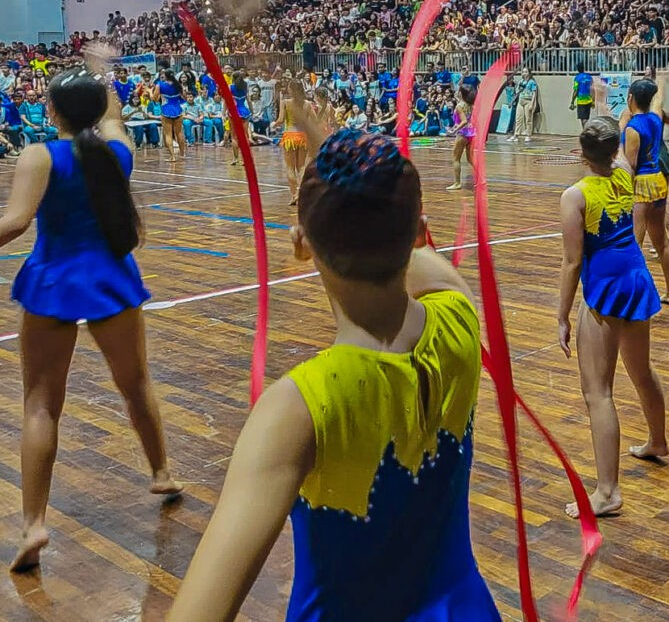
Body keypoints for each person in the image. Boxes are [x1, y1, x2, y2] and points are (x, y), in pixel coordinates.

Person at [168, 124, 501, 622]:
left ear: (301, 243)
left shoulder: (299, 408)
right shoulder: (458, 319)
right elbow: (415, 253)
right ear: (418, 230)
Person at [0, 69, 180, 572]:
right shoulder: (116, 153)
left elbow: (15, 222)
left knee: (40, 405)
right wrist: (107, 79)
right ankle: (161, 472)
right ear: (98, 109)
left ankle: (35, 524)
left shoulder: (40, 155)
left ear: (52, 111)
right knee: (136, 384)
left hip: (53, 282)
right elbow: (117, 118)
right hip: (110, 280)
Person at [557, 116, 668, 520]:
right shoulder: (625, 173)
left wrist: (562, 316)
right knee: (641, 370)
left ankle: (607, 492)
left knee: (598, 392)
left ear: (581, 153)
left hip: (605, 288)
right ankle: (657, 440)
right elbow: (618, 149)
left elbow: (572, 263)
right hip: (636, 277)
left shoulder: (576, 195)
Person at [622, 77, 669, 306]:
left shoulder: (633, 128)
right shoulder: (655, 119)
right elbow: (659, 102)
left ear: (630, 98)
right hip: (658, 182)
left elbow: (631, 165)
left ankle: (634, 296)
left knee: (635, 242)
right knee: (661, 241)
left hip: (642, 185)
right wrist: (662, 82)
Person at [276, 76, 309, 206]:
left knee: (290, 167)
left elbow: (281, 119)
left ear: (290, 90)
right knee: (301, 167)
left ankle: (294, 194)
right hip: (302, 136)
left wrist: (274, 124)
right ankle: (300, 193)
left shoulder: (285, 102)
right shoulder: (306, 104)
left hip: (290, 135)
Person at [445, 81, 477, 191]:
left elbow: (463, 121)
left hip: (462, 134)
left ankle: (457, 183)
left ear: (461, 94)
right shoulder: (471, 105)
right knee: (470, 159)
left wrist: (454, 130)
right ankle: (481, 178)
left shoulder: (459, 106)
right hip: (471, 133)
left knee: (456, 159)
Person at [157, 69, 185, 162]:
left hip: (166, 110)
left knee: (168, 134)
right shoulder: (178, 85)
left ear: (165, 76)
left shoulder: (160, 85)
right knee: (179, 133)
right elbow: (184, 97)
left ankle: (172, 156)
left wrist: (149, 91)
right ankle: (182, 154)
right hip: (178, 110)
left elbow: (154, 98)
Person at [513, 68, 538, 143]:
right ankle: (516, 135)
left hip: (528, 101)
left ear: (529, 73)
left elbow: (534, 93)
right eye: (523, 72)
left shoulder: (532, 82)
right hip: (521, 101)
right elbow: (517, 91)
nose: (524, 73)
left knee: (528, 119)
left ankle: (528, 135)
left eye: (526, 72)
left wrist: (532, 104)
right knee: (518, 118)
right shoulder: (521, 81)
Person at [571, 64, 596, 131]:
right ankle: (585, 131)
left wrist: (572, 102)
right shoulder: (589, 77)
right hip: (588, 100)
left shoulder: (577, 78)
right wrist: (593, 101)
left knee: (583, 119)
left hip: (581, 101)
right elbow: (592, 90)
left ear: (577, 69)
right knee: (586, 118)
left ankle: (585, 132)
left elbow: (576, 90)